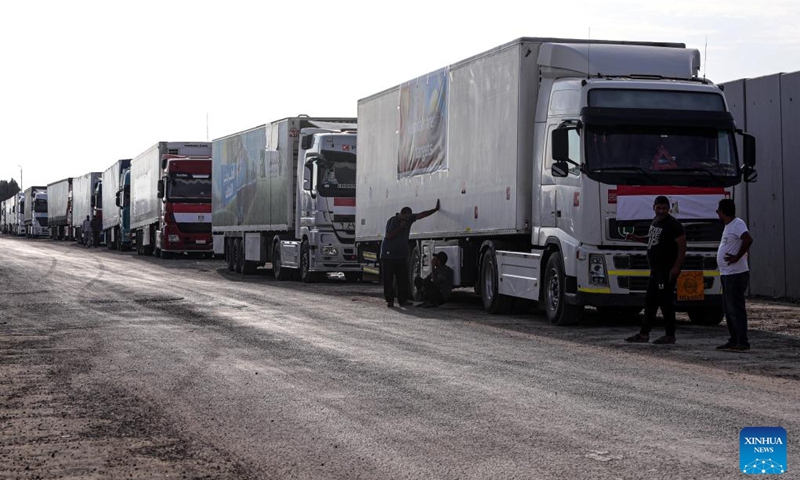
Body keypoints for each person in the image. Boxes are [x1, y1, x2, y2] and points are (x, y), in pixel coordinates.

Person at [624, 195, 686, 344]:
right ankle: (644, 333)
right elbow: (652, 238)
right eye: (659, 208)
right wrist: (636, 238)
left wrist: (676, 267)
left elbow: (682, 246)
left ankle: (670, 334)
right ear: (654, 207)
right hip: (655, 270)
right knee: (650, 302)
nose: (661, 211)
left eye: (664, 208)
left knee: (665, 303)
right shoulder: (656, 221)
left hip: (666, 271)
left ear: (669, 209)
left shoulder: (673, 225)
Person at [381, 200, 440, 307]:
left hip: (401, 254)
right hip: (388, 254)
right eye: (406, 217)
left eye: (409, 217)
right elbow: (388, 235)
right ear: (402, 214)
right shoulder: (393, 220)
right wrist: (400, 228)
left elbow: (421, 215)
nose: (408, 219)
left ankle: (402, 300)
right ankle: (390, 299)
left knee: (402, 278)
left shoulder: (409, 219)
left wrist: (435, 210)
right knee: (388, 278)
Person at [715, 199, 754, 351]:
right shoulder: (729, 226)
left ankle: (742, 342)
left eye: (718, 211)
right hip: (727, 273)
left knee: (736, 308)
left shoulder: (737, 224)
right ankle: (734, 339)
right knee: (728, 307)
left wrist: (736, 257)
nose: (717, 213)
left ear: (722, 212)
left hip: (735, 274)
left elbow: (748, 239)